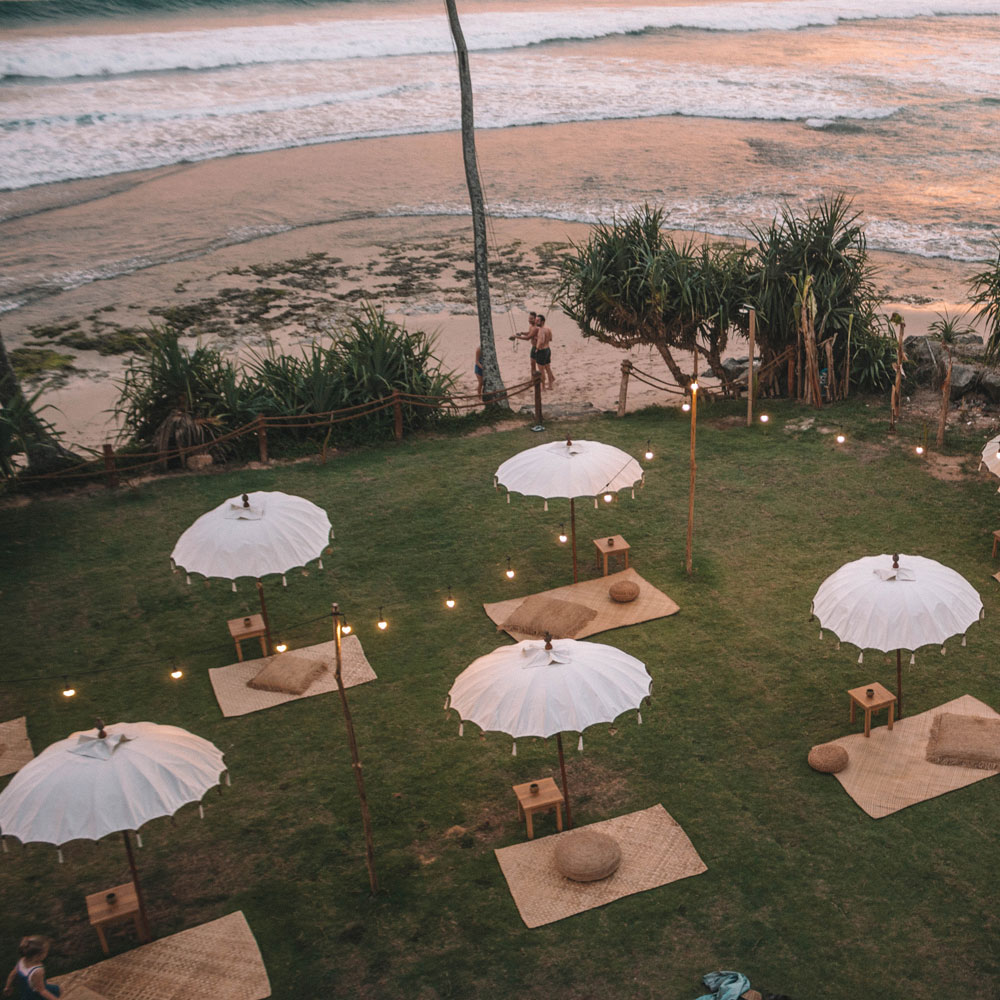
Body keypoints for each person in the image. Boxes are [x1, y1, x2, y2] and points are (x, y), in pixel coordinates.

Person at [4, 936, 61, 1000]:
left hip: (26, 992)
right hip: (35, 995)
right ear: (37, 956)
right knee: (56, 990)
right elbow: (42, 991)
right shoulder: (37, 970)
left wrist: (7, 987)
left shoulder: (22, 961)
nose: (47, 954)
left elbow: (12, 974)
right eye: (46, 952)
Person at [510, 312, 538, 378]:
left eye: (531, 319)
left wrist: (516, 337)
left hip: (537, 348)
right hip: (533, 347)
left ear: (535, 319)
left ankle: (537, 378)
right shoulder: (531, 326)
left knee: (540, 365)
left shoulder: (535, 328)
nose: (529, 320)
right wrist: (522, 333)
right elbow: (529, 333)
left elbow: (528, 338)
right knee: (532, 364)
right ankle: (533, 378)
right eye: (529, 318)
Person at [533, 314, 555, 388]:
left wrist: (537, 348)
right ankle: (550, 385)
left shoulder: (541, 330)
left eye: (538, 321)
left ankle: (543, 387)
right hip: (547, 349)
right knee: (548, 368)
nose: (536, 322)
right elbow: (550, 339)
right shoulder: (548, 328)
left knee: (541, 369)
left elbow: (541, 341)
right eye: (536, 320)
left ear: (542, 322)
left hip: (542, 350)